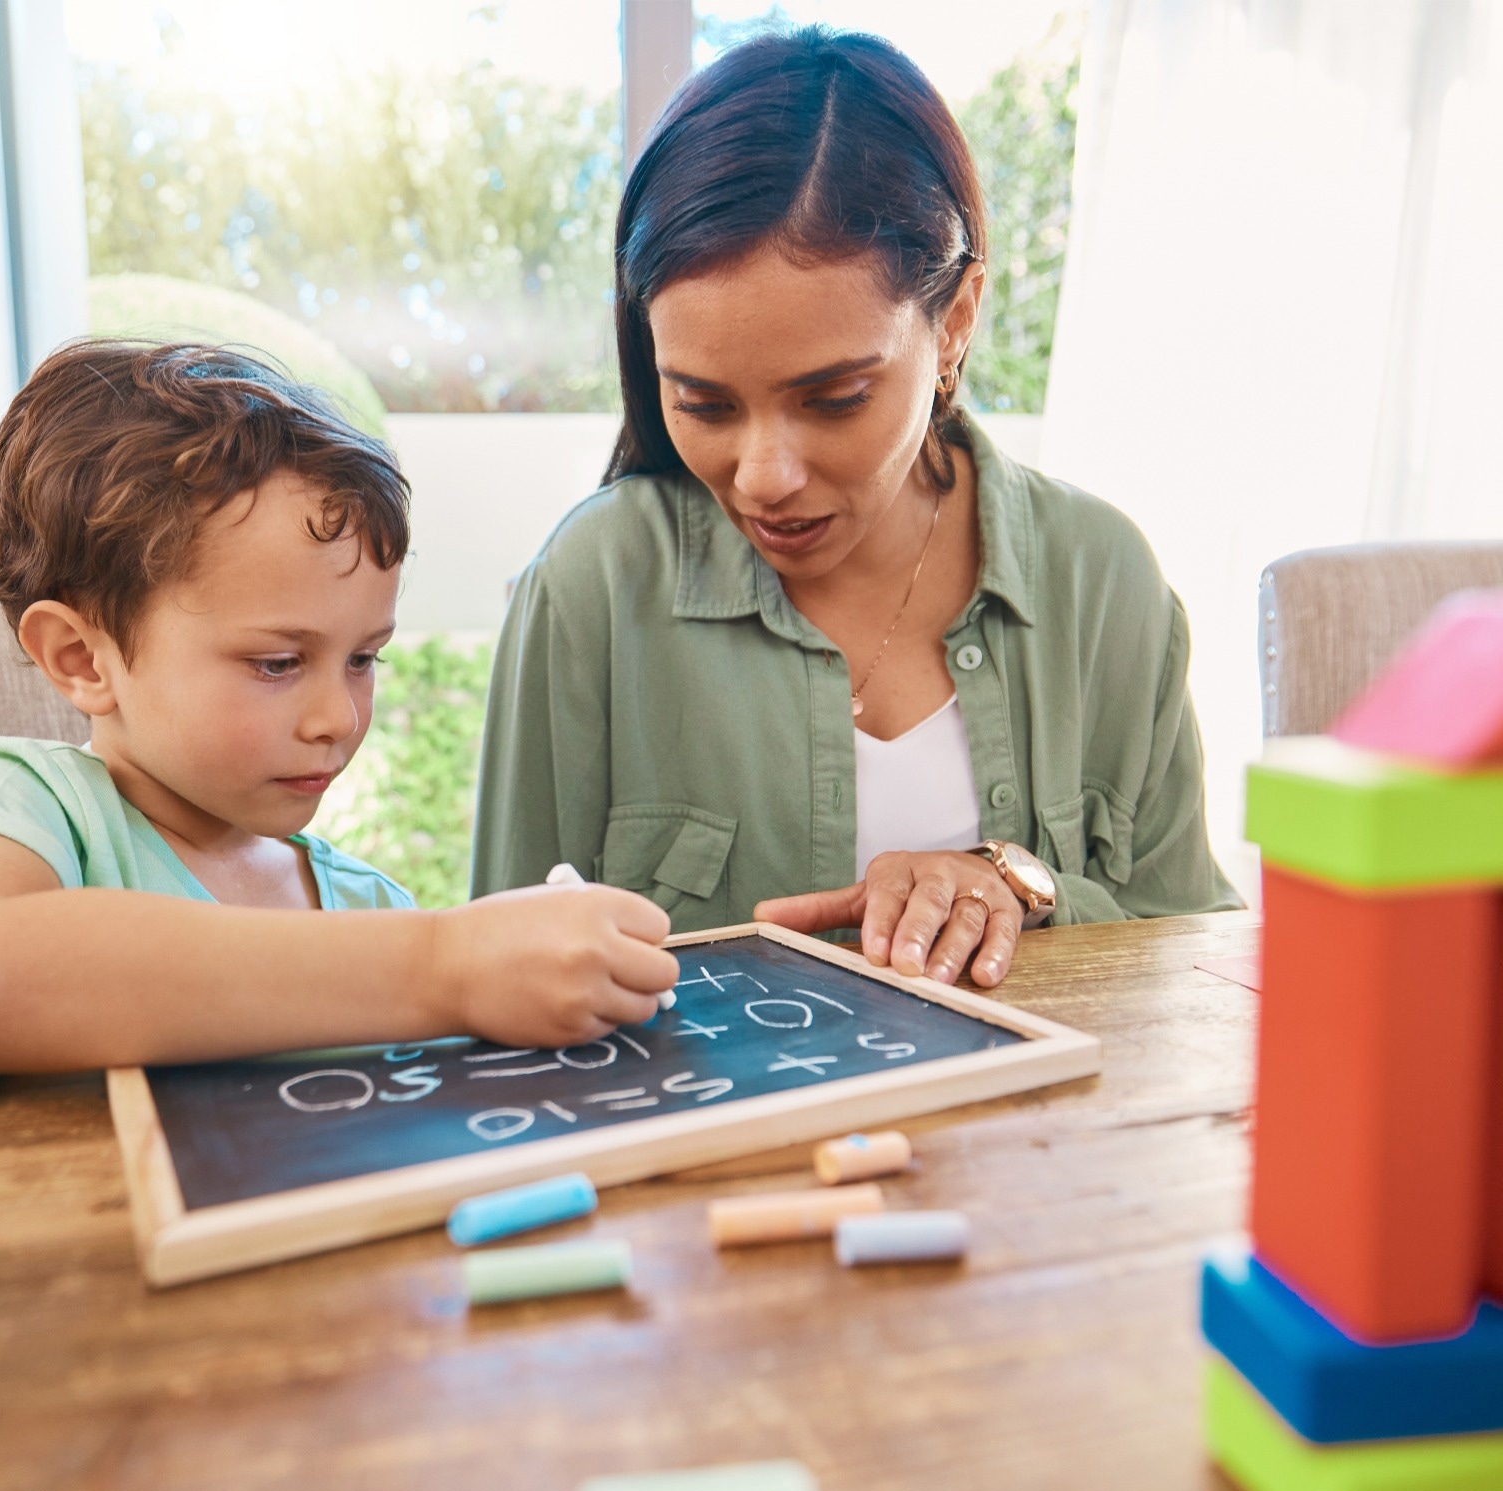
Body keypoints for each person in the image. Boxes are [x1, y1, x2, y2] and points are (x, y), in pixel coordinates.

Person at [472, 28, 1240, 989]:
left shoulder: (1100, 578)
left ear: (954, 321)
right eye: (703, 403)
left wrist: (1018, 890)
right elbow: (493, 979)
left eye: (833, 399)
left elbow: (1200, 965)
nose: (763, 475)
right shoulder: (597, 589)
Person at [0, 341, 677, 1070]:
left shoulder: (371, 910)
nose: (338, 717)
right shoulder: (26, 805)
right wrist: (441, 965)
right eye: (278, 663)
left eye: (364, 658)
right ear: (83, 659)